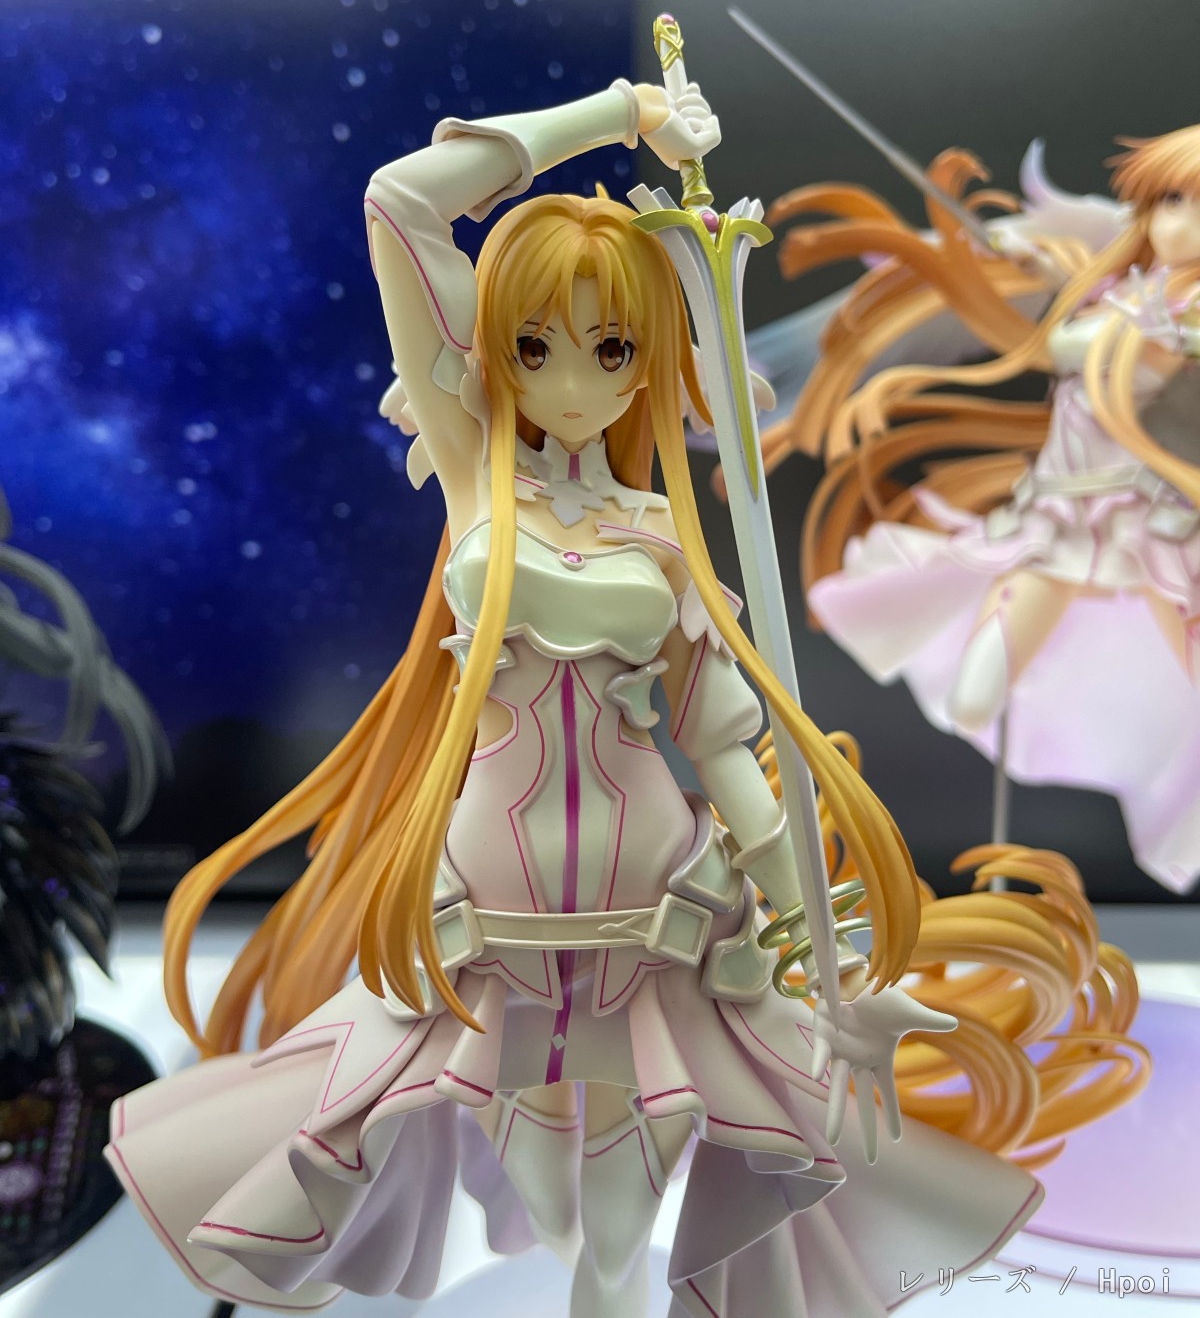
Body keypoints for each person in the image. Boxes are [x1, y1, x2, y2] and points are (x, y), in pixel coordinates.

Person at [106, 77, 1076, 1318]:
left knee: (613, 1236)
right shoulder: (478, 470)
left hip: (658, 912)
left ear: (648, 361)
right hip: (490, 917)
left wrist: (831, 966)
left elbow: (728, 755)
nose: (572, 380)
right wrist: (622, 114)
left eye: (611, 348)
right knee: (547, 1199)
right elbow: (401, 201)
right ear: (495, 349)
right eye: (536, 345)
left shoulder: (661, 533)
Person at [771, 127, 1200, 892]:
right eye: (1172, 201)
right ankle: (1036, 832)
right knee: (978, 693)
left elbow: (1071, 349)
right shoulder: (1126, 289)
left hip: (1143, 532)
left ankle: (1172, 808)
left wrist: (984, 280)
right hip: (1052, 525)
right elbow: (1082, 313)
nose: (1182, 223)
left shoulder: (1180, 314)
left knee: (1186, 697)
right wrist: (1035, 261)